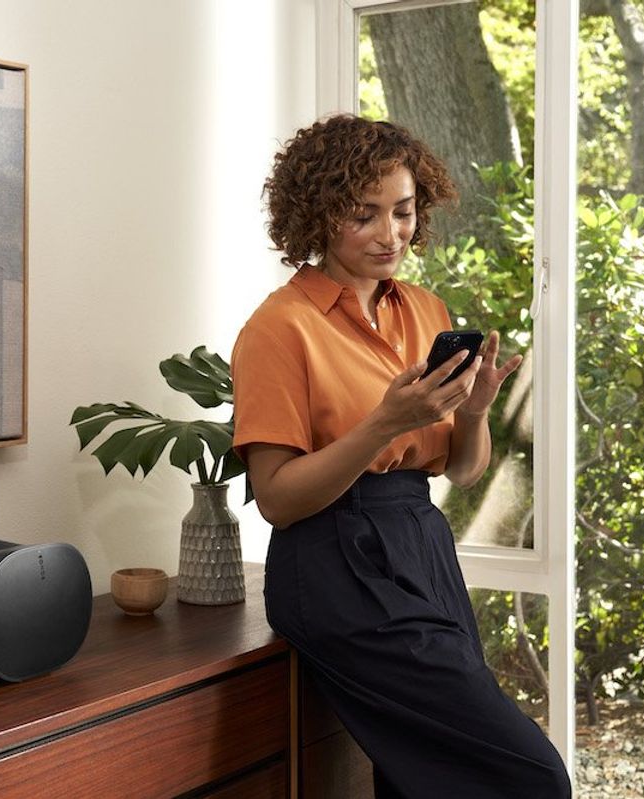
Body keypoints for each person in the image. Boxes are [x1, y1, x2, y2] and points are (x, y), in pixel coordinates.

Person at [231, 114, 572, 798]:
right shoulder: (278, 328)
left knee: (419, 779)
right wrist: (383, 422)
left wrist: (473, 411)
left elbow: (460, 468)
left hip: (420, 543)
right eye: (366, 215)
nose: (391, 235)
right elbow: (276, 497)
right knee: (531, 778)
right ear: (319, 214)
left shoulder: (423, 308)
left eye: (405, 212)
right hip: (332, 559)